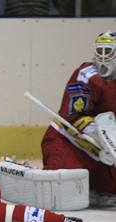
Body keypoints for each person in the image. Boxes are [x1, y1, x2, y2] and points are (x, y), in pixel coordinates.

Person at [41, 31, 116, 206]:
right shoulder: (86, 75)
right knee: (59, 191)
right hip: (69, 143)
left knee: (109, 191)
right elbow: (74, 116)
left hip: (105, 151)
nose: (104, 57)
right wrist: (102, 142)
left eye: (109, 52)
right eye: (101, 51)